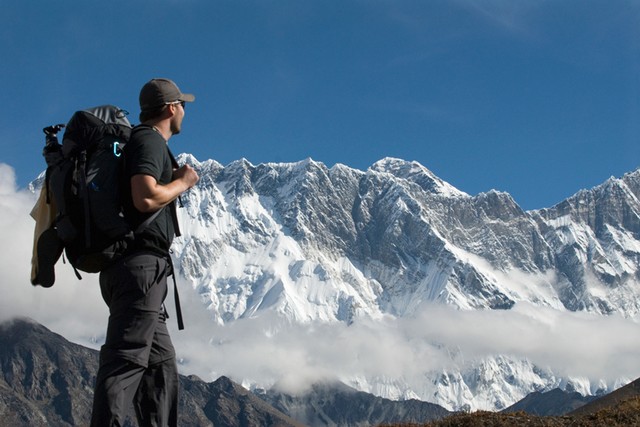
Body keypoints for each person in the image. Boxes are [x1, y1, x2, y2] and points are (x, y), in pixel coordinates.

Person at [91, 78, 199, 426]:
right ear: (171, 108)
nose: (184, 110)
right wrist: (182, 182)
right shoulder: (149, 140)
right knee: (124, 363)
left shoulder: (139, 142)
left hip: (138, 272)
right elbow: (146, 196)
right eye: (182, 104)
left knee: (160, 369)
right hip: (139, 270)